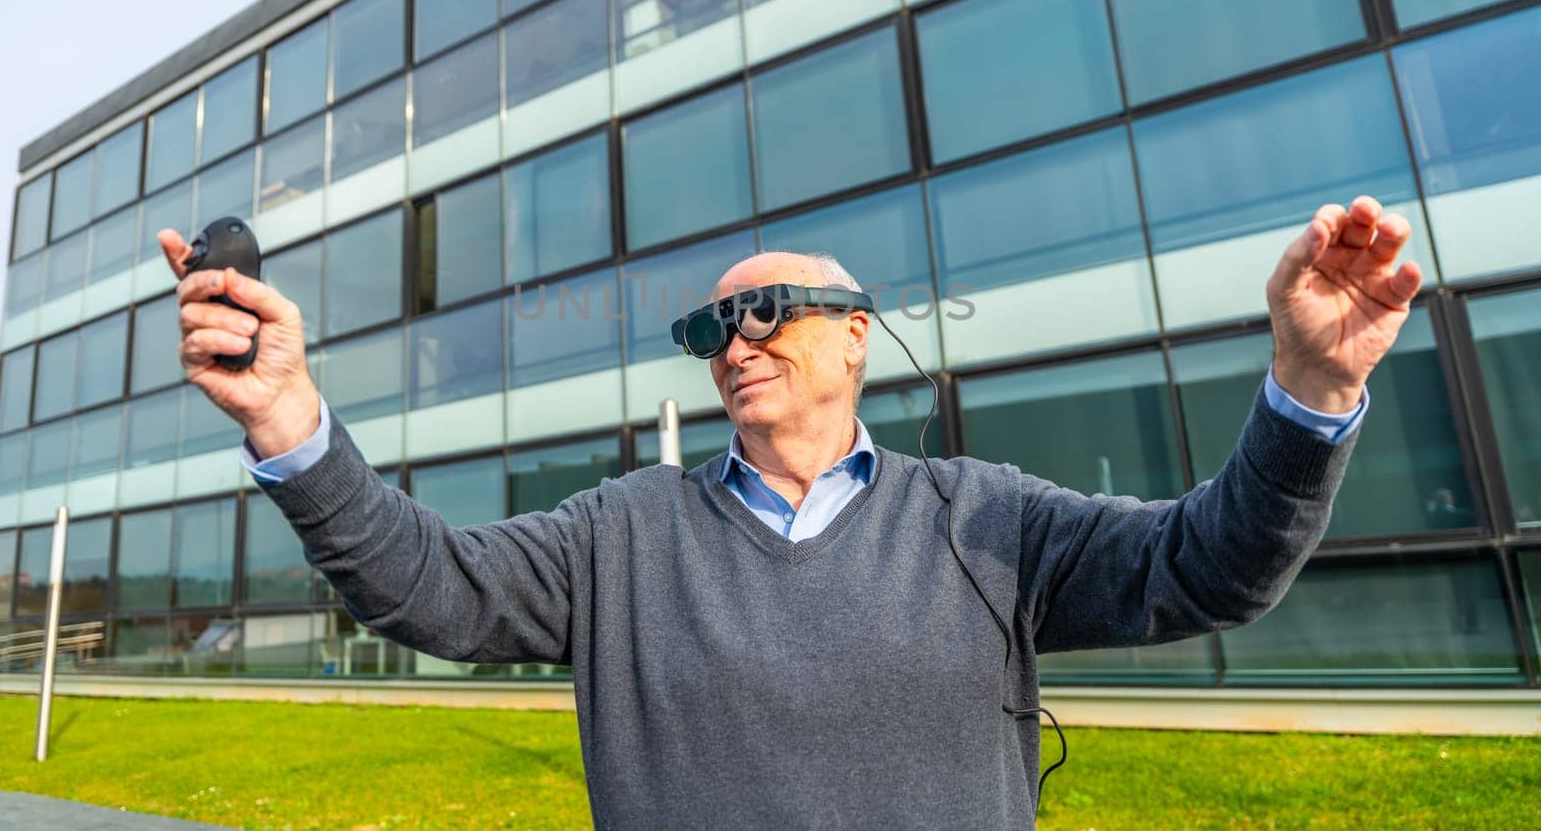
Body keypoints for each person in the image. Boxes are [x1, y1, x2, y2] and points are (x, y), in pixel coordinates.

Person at [159, 195, 1421, 829]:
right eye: (713, 326)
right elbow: (424, 585)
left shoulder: (987, 517)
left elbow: (1209, 566)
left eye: (765, 312)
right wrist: (286, 418)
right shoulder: (622, 531)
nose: (733, 342)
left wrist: (1312, 388)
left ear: (860, 336)